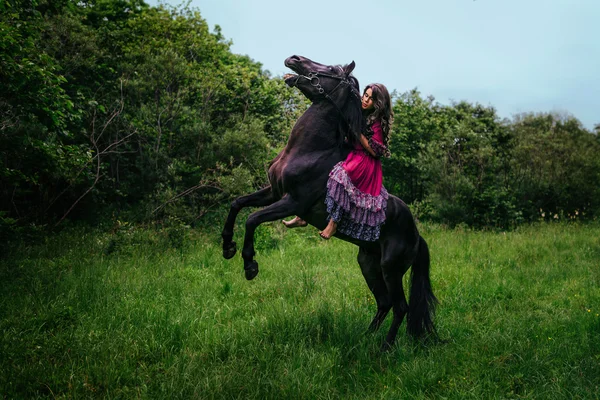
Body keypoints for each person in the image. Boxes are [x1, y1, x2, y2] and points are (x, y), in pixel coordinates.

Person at [283, 83, 393, 241]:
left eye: (371, 99)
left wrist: (357, 133)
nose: (366, 100)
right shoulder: (359, 111)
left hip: (365, 160)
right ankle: (303, 215)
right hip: (350, 152)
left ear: (378, 103)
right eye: (366, 95)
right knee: (321, 171)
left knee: (341, 176)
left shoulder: (377, 123)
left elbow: (375, 151)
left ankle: (334, 223)